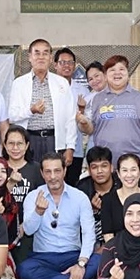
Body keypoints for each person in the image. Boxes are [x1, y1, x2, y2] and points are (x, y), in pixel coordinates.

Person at [19, 153, 98, 279]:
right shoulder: (33, 196)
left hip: (73, 255)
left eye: (57, 171)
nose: (53, 177)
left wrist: (81, 264)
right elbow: (28, 231)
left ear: (65, 171)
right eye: (48, 172)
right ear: (42, 173)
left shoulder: (80, 197)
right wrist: (38, 212)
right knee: (24, 269)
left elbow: (89, 233)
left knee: (98, 261)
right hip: (43, 257)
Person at [78, 55, 140, 177]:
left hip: (136, 162)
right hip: (105, 164)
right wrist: (84, 123)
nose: (117, 73)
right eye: (112, 70)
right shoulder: (96, 100)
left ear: (128, 73)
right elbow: (89, 129)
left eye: (121, 69)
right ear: (106, 75)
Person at [8, 39, 79, 167]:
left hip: (54, 140)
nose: (41, 57)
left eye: (45, 53)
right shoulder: (19, 83)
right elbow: (12, 116)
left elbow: (70, 118)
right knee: (30, 176)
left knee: (53, 176)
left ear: (51, 58)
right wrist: (31, 110)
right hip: (29, 140)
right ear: (30, 57)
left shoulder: (61, 83)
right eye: (37, 53)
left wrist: (70, 147)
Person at [100, 153, 140, 242]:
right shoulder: (108, 200)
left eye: (133, 170)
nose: (129, 175)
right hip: (117, 247)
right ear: (118, 174)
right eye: (124, 170)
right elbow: (108, 234)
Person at [54, 48, 88, 185]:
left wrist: (82, 111)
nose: (66, 66)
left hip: (75, 148)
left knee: (72, 184)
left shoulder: (82, 90)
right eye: (62, 62)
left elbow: (87, 121)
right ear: (55, 65)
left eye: (70, 62)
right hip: (53, 143)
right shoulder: (50, 87)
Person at [75, 146, 119, 248]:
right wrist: (90, 210)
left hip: (117, 242)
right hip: (87, 243)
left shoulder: (121, 186)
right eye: (94, 167)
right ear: (89, 170)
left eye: (104, 166)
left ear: (111, 168)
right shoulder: (82, 189)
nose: (99, 171)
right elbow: (74, 222)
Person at [3, 125, 44, 224]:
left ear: (27, 145)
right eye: (11, 143)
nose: (15, 148)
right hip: (4, 223)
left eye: (20, 143)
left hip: (31, 223)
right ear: (5, 145)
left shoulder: (37, 169)